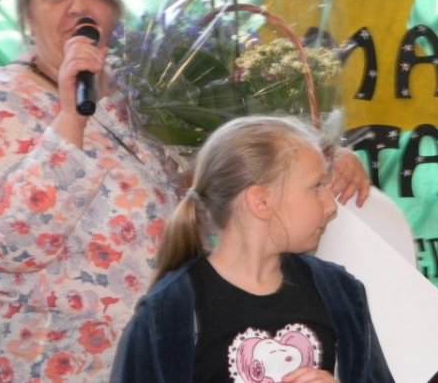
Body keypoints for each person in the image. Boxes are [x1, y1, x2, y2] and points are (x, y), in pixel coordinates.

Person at [0, 0, 371, 381]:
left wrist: (325, 159)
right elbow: (6, 244)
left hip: (167, 358)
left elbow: (240, 165)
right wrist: (71, 116)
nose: (78, 6)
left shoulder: (147, 90)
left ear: (114, 9)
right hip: (48, 362)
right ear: (28, 16)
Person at [110, 116, 393, 382]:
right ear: (261, 202)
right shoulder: (168, 312)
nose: (331, 207)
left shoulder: (340, 291)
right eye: (316, 187)